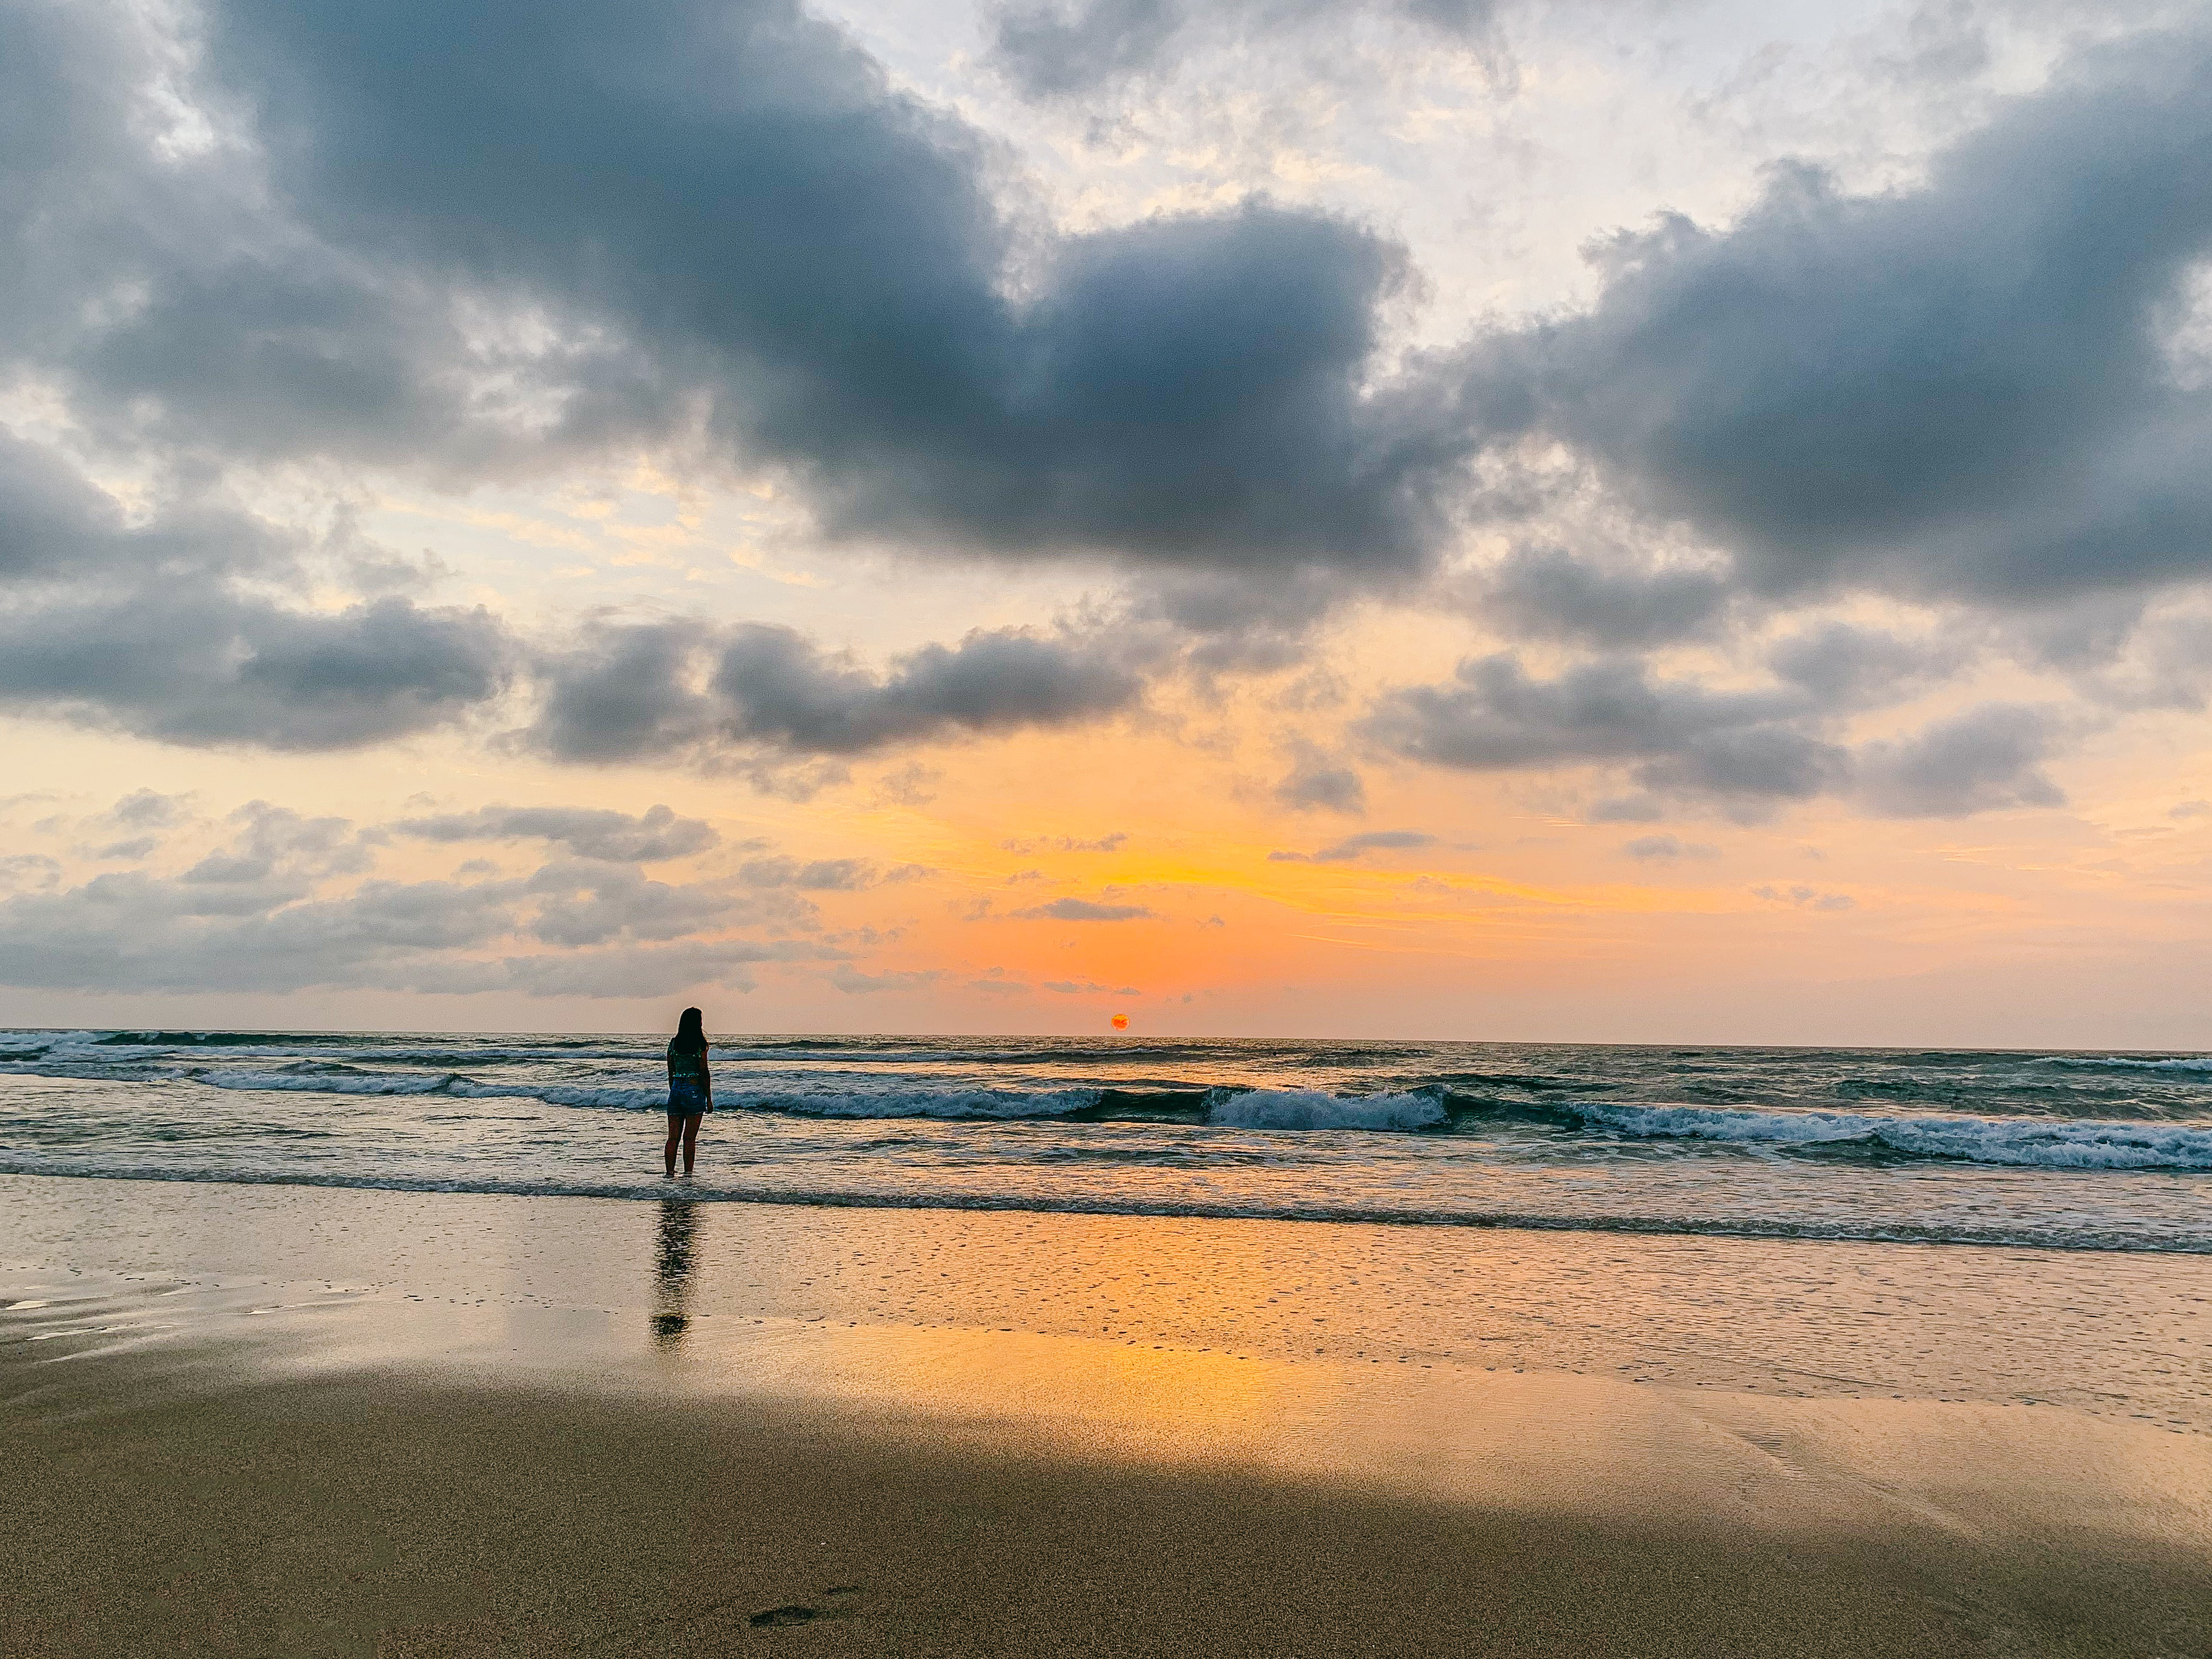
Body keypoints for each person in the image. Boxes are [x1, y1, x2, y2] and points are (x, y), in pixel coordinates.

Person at [663, 1006, 713, 1177]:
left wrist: (674, 1090)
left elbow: (671, 1070)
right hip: (693, 1090)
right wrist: (709, 1098)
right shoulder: (699, 1044)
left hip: (676, 1089)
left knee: (673, 1137)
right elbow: (704, 1072)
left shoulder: (674, 1043)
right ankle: (688, 1173)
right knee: (690, 1138)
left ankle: (670, 1172)